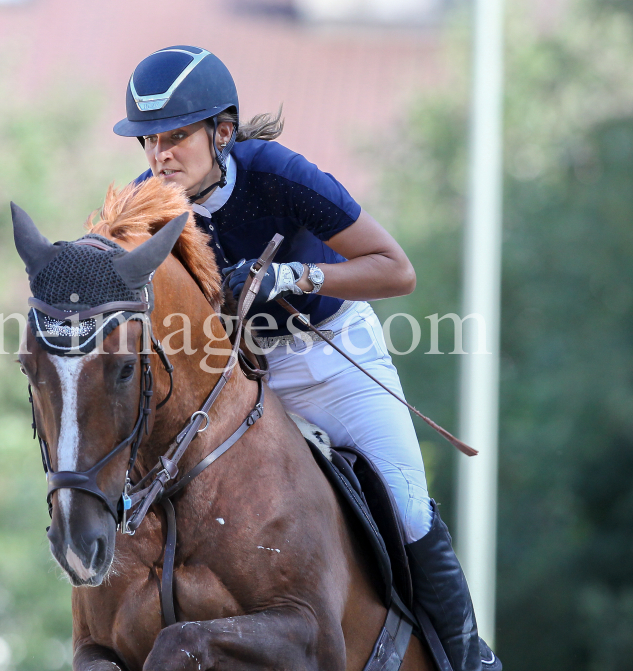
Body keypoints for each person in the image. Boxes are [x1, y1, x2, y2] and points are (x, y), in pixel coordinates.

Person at [113, 45, 500, 671]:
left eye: (176, 137)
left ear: (224, 131)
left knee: (405, 505)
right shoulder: (148, 208)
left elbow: (396, 270)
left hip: (338, 354)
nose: (159, 157)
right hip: (252, 379)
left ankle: (470, 661)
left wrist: (295, 276)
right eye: (148, 142)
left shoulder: (275, 173)